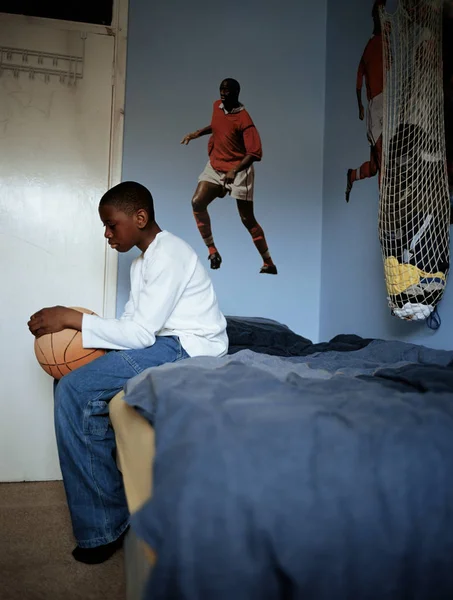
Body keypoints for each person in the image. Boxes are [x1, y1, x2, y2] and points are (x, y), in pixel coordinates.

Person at [27, 181, 228, 564]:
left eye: (111, 224)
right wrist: (90, 335)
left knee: (74, 390)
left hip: (189, 345)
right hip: (161, 341)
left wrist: (70, 317)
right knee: (68, 381)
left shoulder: (170, 253)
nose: (106, 233)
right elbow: (136, 326)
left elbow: (139, 333)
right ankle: (107, 509)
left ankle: (101, 529)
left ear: (140, 217)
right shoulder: (142, 263)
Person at [181, 78, 277, 274]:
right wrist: (197, 133)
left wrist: (235, 170)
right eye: (221, 90)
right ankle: (212, 250)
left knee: (247, 218)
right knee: (197, 202)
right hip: (216, 166)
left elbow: (254, 153)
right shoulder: (217, 106)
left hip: (239, 171)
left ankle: (268, 262)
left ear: (236, 93)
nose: (223, 93)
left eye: (227, 91)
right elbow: (216, 127)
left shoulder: (244, 120)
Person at [346, 0, 386, 202]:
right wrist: (360, 105)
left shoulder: (389, 42)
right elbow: (358, 78)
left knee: (374, 167)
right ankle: (386, 207)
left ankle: (352, 175)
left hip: (389, 104)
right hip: (377, 106)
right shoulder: (371, 46)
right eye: (378, 13)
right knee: (384, 157)